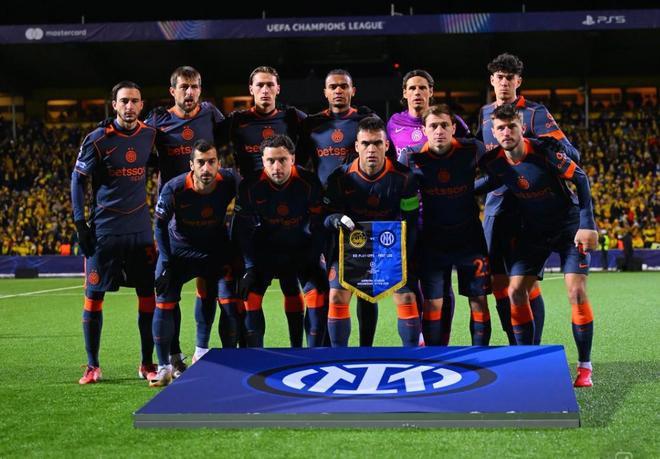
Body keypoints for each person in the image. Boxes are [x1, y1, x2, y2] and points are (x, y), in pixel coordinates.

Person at [479, 104, 597, 387]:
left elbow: (580, 177)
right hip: (534, 231)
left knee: (576, 291)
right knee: (515, 291)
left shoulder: (544, 151)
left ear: (522, 128)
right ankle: (527, 359)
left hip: (568, 227)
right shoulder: (494, 160)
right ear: (493, 132)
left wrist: (587, 224)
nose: (506, 132)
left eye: (512, 126)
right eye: (501, 128)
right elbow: (489, 183)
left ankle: (585, 366)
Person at [476, 53, 581, 345]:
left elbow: (572, 155)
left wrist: (549, 145)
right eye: (499, 77)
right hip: (496, 209)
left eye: (510, 78)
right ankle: (515, 348)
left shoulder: (535, 113)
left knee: (525, 285)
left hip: (527, 212)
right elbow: (484, 159)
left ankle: (531, 351)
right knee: (498, 284)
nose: (504, 83)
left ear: (518, 81)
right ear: (492, 80)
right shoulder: (485, 114)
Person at [145, 66, 238, 374]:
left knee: (208, 288)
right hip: (174, 216)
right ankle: (171, 357)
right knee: (168, 291)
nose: (189, 92)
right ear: (173, 91)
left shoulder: (211, 115)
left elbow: (233, 134)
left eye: (195, 86)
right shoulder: (158, 120)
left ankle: (202, 350)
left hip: (208, 213)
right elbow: (134, 140)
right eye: (184, 87)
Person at [71, 81, 157, 384]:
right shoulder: (97, 140)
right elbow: (77, 180)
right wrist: (80, 224)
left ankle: (147, 363)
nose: (129, 106)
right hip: (105, 232)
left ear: (141, 105)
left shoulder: (150, 135)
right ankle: (92, 365)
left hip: (140, 232)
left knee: (148, 296)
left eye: (134, 101)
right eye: (124, 101)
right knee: (93, 297)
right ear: (114, 105)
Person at [298, 69, 380, 347]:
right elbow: (299, 166)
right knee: (322, 287)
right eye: (333, 86)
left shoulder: (364, 121)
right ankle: (322, 350)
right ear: (325, 92)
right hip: (323, 217)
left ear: (352, 90)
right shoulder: (312, 125)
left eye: (343, 86)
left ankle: (366, 349)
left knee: (365, 290)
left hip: (360, 214)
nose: (338, 91)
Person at [387, 69, 469, 346]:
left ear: (431, 91)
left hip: (440, 217)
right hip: (407, 217)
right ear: (404, 93)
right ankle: (417, 339)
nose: (417, 93)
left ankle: (441, 342)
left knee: (441, 285)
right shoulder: (394, 123)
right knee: (409, 283)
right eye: (412, 88)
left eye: (423, 87)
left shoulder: (448, 121)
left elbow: (465, 154)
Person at [323, 116, 420, 347]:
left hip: (389, 248)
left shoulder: (405, 178)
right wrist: (336, 219)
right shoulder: (340, 178)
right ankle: (338, 355)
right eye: (365, 143)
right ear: (357, 146)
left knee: (407, 296)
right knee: (336, 295)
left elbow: (411, 220)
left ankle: (411, 356)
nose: (371, 149)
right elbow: (325, 218)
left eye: (377, 143)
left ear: (386, 145)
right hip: (351, 248)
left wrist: (408, 257)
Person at [400, 104, 491, 345]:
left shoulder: (473, 149)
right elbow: (397, 192)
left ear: (453, 128)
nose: (439, 131)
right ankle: (434, 358)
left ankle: (480, 356)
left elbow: (498, 174)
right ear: (424, 130)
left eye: (444, 125)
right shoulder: (411, 157)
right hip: (433, 242)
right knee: (432, 303)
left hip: (470, 239)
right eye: (433, 126)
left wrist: (472, 189)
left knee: (478, 300)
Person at [149, 140, 237, 387]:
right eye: (201, 163)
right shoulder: (174, 188)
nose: (206, 168)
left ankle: (202, 352)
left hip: (212, 250)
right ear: (191, 166)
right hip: (178, 252)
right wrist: (166, 262)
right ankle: (164, 366)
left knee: (214, 297)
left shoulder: (230, 181)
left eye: (211, 162)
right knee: (164, 302)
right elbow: (159, 225)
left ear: (219, 164)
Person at [234, 135, 327, 347]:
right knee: (250, 297)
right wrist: (249, 267)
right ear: (262, 161)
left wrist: (317, 258)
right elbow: (241, 229)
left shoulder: (309, 182)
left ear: (292, 159)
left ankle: (310, 356)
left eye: (282, 160)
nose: (277, 167)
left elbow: (319, 225)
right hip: (265, 252)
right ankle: (257, 357)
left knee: (317, 295)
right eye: (271, 161)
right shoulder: (249, 186)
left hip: (302, 250)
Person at [221, 66, 306, 181]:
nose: (265, 90)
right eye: (260, 85)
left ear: (278, 89)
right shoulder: (237, 120)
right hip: (249, 188)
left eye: (270, 85)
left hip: (286, 187)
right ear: (251, 89)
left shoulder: (293, 117)